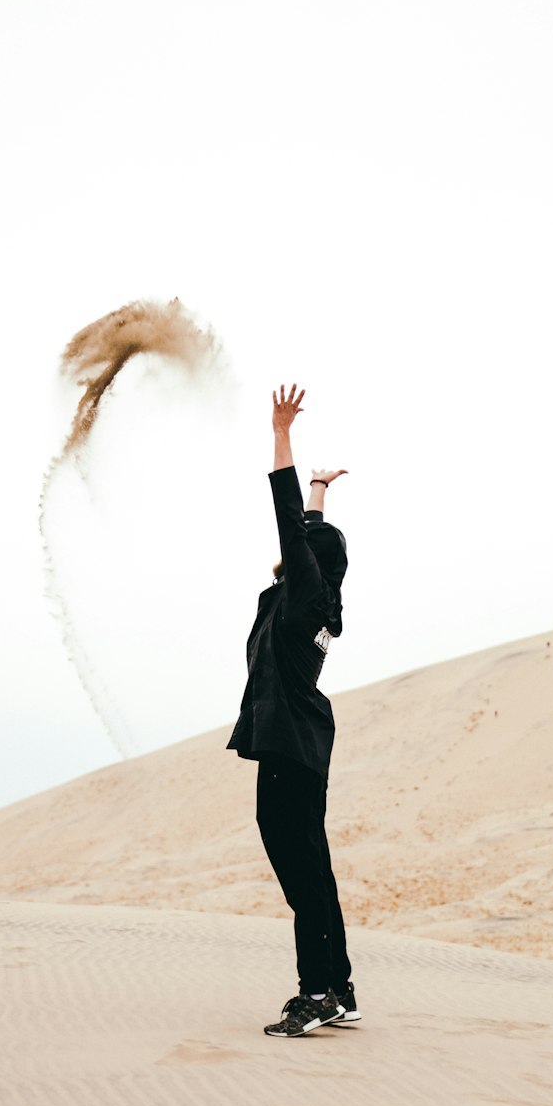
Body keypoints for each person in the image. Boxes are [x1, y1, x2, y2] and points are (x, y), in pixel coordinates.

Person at [227, 383, 360, 1037]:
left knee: (302, 872)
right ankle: (339, 985)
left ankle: (318, 993)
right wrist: (320, 487)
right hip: (300, 743)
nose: (297, 543)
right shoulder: (315, 598)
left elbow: (292, 526)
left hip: (288, 745)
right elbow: (307, 532)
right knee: (314, 866)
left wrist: (281, 435)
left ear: (315, 561)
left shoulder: (307, 594)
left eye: (309, 543)